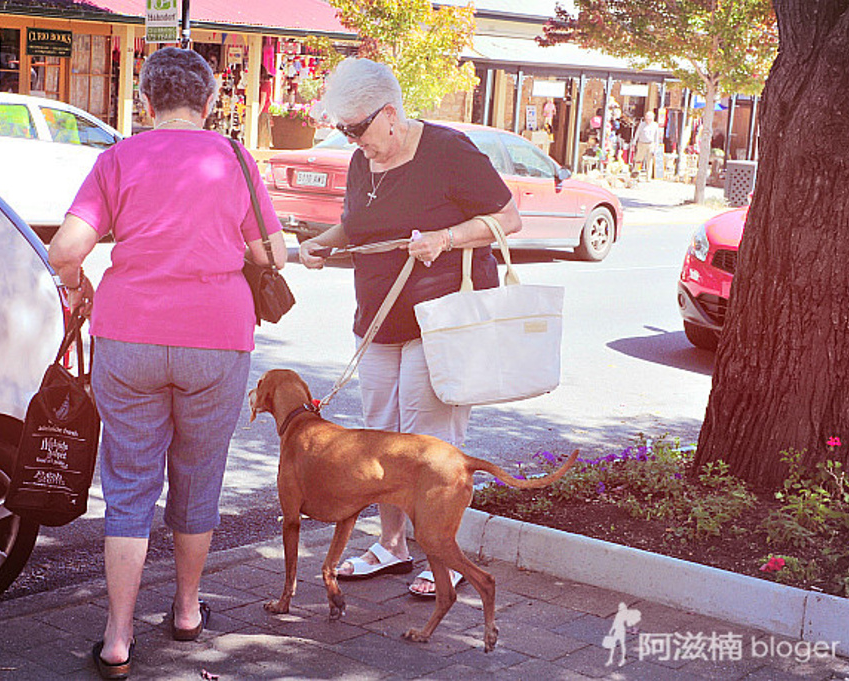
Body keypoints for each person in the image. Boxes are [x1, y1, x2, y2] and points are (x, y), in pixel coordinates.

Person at [48, 46, 287, 680]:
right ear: (209, 105)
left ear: (145, 104)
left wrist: (79, 287)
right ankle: (185, 611)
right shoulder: (235, 158)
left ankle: (119, 636)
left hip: (129, 336)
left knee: (129, 487)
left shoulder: (117, 158)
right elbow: (275, 256)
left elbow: (65, 248)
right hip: (217, 338)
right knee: (199, 475)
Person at [298, 58, 521, 597]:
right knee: (379, 440)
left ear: (391, 115)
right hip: (377, 319)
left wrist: (445, 238)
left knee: (430, 441)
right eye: (344, 131)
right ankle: (391, 547)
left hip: (439, 320)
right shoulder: (362, 160)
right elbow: (358, 223)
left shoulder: (448, 150)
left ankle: (439, 556)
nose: (353, 142)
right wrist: (319, 245)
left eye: (358, 129)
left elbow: (509, 219)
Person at [633, 111, 660, 179]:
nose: (648, 120)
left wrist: (656, 146)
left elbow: (656, 136)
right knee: (638, 160)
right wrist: (634, 142)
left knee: (649, 161)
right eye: (646, 118)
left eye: (649, 119)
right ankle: (636, 174)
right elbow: (637, 133)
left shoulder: (655, 125)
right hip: (641, 143)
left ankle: (648, 177)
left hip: (650, 144)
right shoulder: (642, 124)